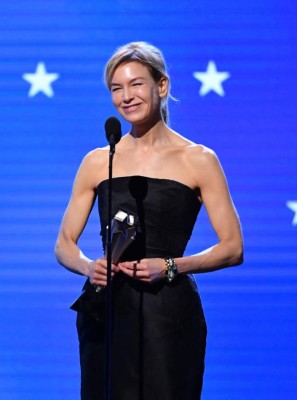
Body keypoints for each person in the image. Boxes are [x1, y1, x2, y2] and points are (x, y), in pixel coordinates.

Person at [55, 41, 243, 400]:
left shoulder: (199, 160)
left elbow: (233, 248)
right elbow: (64, 244)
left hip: (167, 314)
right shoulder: (98, 160)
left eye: (136, 84)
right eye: (116, 88)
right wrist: (86, 267)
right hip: (107, 310)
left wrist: (171, 266)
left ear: (162, 86)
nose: (126, 96)